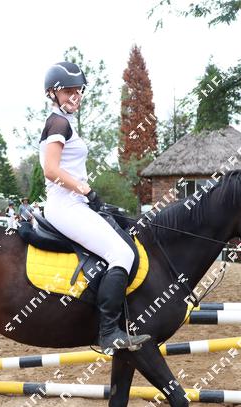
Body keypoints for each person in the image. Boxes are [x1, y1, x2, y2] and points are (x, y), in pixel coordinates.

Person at [39, 61, 149, 354]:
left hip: (74, 203)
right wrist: (85, 190)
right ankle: (108, 332)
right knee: (122, 253)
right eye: (68, 91)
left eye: (78, 91)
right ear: (52, 93)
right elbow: (51, 170)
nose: (74, 96)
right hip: (65, 205)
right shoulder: (58, 123)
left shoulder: (64, 122)